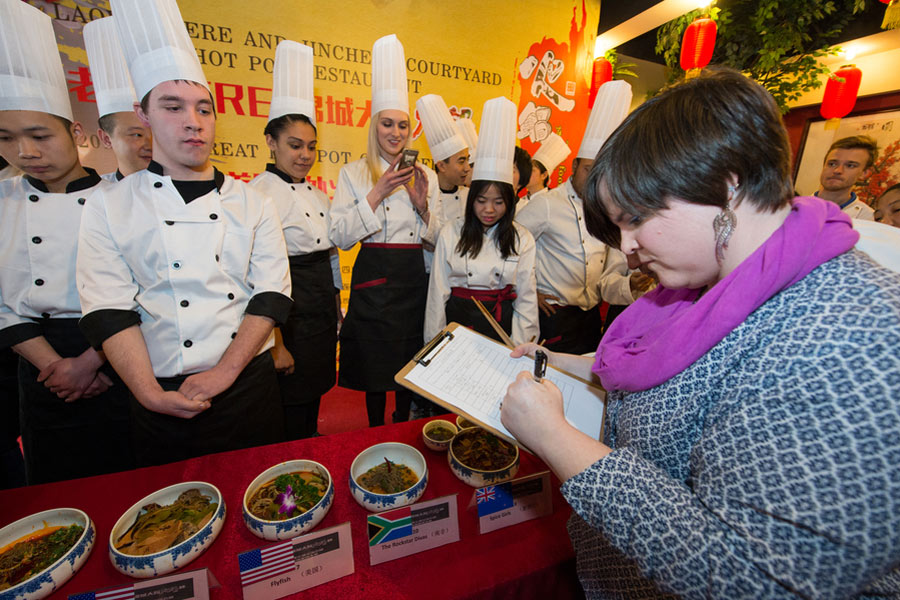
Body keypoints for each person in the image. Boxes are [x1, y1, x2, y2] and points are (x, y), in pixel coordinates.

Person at [501, 67, 900, 597]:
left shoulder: (843, 334)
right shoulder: (714, 280)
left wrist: (556, 438)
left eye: (636, 218)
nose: (627, 248)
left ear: (726, 186)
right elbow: (671, 373)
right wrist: (566, 363)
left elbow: (754, 579)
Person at [77, 0, 291, 465]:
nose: (193, 121)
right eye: (173, 107)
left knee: (263, 490)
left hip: (247, 384)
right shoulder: (110, 204)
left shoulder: (253, 201)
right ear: (144, 115)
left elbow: (271, 296)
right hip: (156, 389)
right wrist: (147, 393)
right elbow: (109, 308)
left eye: (204, 109)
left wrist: (224, 373)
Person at [0, 0, 133, 484]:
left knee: (130, 480)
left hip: (118, 350)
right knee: (54, 485)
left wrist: (90, 362)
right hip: (39, 362)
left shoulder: (120, 197)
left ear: (74, 131)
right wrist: (59, 368)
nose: (25, 152)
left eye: (39, 135)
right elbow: (4, 305)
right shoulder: (3, 200)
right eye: (6, 138)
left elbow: (143, 289)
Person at [329, 34, 441, 427]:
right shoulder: (354, 173)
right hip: (372, 279)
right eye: (387, 124)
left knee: (410, 359)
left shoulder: (425, 175)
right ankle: (375, 427)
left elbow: (440, 240)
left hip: (413, 279)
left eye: (403, 125)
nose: (395, 132)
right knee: (374, 363)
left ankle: (402, 419)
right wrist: (377, 193)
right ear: (374, 125)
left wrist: (422, 205)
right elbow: (339, 236)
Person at [516, 80, 653, 354]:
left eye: (601, 172)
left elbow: (608, 279)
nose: (594, 180)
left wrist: (629, 284)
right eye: (588, 170)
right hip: (553, 316)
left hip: (589, 320)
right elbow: (510, 245)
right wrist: (529, 293)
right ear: (574, 165)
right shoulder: (547, 204)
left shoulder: (609, 211)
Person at [249, 40, 340, 440]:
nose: (305, 155)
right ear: (271, 141)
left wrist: (335, 308)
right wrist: (275, 342)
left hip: (319, 309)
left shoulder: (320, 196)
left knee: (314, 390)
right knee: (286, 398)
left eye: (311, 147)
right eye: (295, 145)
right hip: (286, 313)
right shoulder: (256, 195)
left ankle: (310, 448)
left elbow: (331, 258)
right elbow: (257, 279)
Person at [425, 96, 538, 346]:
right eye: (481, 200)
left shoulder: (523, 239)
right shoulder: (451, 232)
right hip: (456, 328)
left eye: (498, 202)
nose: (489, 210)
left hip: (501, 328)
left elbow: (526, 300)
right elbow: (437, 296)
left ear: (509, 202)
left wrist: (520, 348)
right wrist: (435, 346)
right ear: (471, 198)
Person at [83, 17, 151, 182]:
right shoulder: (96, 194)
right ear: (106, 139)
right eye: (137, 135)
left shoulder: (201, 192)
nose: (151, 145)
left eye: (159, 135)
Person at [815, 134, 877, 220]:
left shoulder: (869, 219)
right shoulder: (796, 206)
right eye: (832, 164)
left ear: (865, 173)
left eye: (850, 166)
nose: (837, 170)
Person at [526, 132, 570, 198]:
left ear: (544, 175)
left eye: (532, 170)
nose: (526, 173)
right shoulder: (520, 201)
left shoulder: (552, 200)